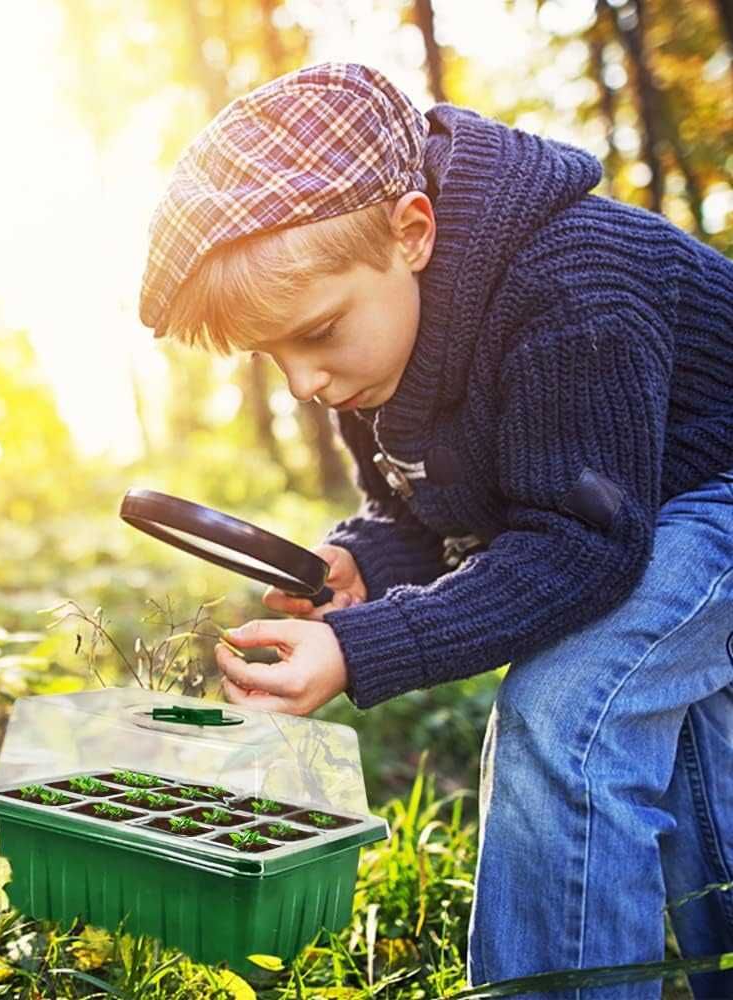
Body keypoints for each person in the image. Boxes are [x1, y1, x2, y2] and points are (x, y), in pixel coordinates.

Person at [137, 62, 733, 998]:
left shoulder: (575, 288)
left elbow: (578, 545)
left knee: (575, 704)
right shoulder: (374, 355)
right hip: (636, 507)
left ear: (412, 233)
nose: (304, 383)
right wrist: (364, 561)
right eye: (272, 354)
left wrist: (361, 648)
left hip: (715, 488)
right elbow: (427, 508)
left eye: (319, 333)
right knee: (701, 746)